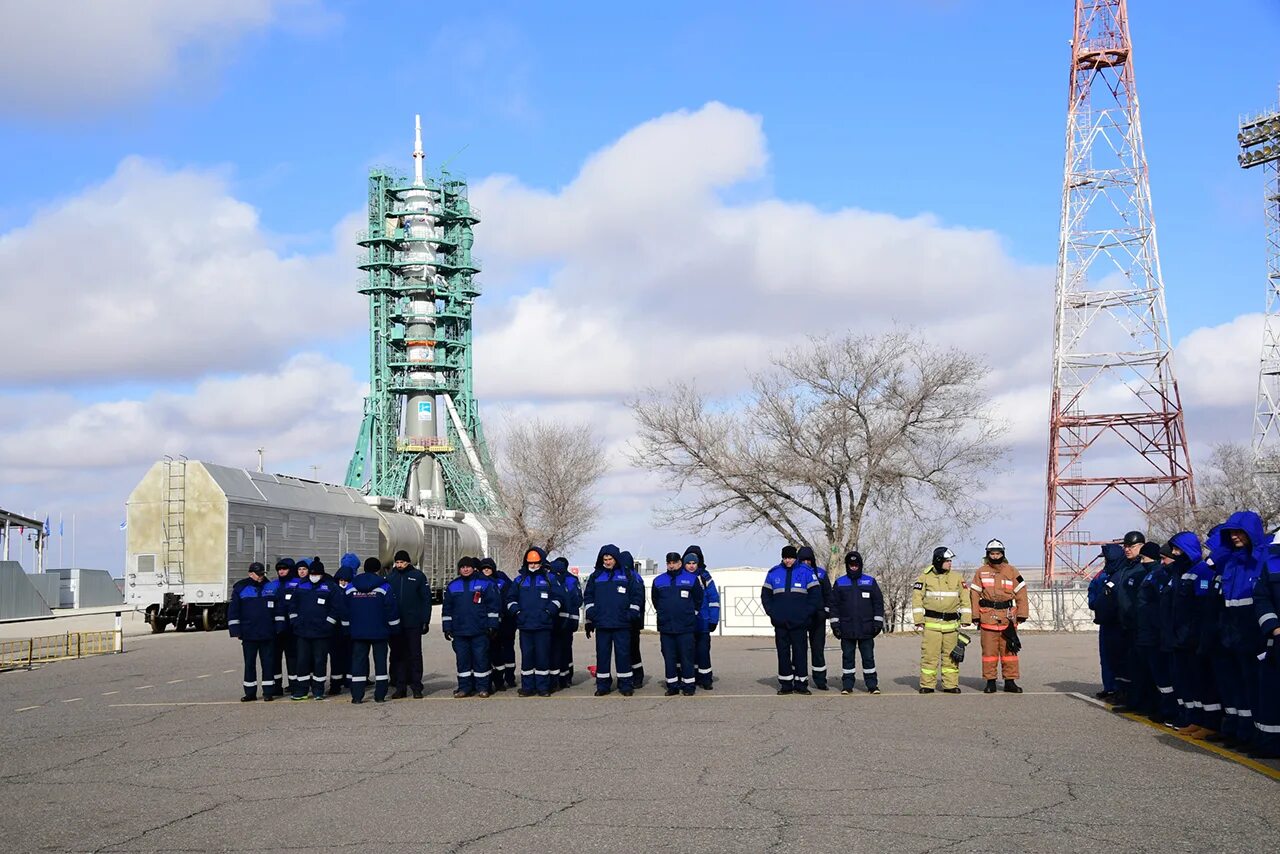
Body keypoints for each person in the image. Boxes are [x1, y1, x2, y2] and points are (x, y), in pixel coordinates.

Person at [1212, 511, 1273, 751]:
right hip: (1234, 634)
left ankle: (1262, 737)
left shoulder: (1265, 559)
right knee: (1242, 688)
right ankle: (1245, 732)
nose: (1235, 537)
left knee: (1261, 691)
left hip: (1257, 633)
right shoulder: (1231, 562)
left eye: (1239, 532)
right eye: (1231, 533)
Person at [1166, 532, 1214, 736]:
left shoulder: (1201, 571)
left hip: (1193, 637)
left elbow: (1201, 609)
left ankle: (1208, 723)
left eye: (1178, 549)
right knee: (1187, 680)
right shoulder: (1181, 572)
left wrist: (1194, 635)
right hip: (1180, 636)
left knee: (1201, 681)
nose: (1175, 553)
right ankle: (1194, 718)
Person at [968, 539, 1028, 694]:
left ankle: (1010, 681)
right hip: (988, 617)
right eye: (992, 553)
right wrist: (975, 615)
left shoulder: (1012, 571)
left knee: (1009, 652)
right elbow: (974, 594)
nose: (995, 556)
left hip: (1008, 618)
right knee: (989, 653)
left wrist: (1022, 614)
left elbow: (1021, 592)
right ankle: (990, 682)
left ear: (1003, 554)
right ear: (988, 555)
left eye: (998, 553)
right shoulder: (981, 572)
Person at [583, 544, 644, 696]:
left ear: (616, 559)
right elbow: (588, 596)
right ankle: (603, 685)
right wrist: (591, 613)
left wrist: (631, 613)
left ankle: (625, 685)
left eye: (610, 559)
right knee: (602, 655)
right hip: (602, 623)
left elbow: (636, 596)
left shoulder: (627, 575)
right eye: (605, 559)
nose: (608, 562)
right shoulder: (595, 576)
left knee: (623, 655)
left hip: (622, 623)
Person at [761, 545, 822, 695]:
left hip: (800, 622)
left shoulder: (806, 572)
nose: (788, 560)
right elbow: (765, 596)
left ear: (796, 558)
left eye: (791, 558)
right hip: (780, 622)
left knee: (800, 653)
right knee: (783, 653)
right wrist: (772, 613)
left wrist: (806, 613)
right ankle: (786, 684)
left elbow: (815, 595)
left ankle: (801, 684)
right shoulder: (774, 573)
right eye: (785, 558)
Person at [506, 547, 565, 697]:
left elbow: (558, 599)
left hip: (543, 625)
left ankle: (543, 687)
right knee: (527, 657)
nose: (533, 566)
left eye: (536, 563)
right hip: (525, 626)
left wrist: (548, 612)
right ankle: (527, 687)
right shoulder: (519, 580)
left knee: (542, 657)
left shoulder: (549, 579)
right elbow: (510, 599)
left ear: (541, 562)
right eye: (530, 563)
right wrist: (517, 612)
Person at [911, 547, 971, 694]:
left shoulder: (957, 577)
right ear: (938, 561)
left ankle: (950, 685)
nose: (950, 564)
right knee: (929, 656)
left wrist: (966, 618)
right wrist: (918, 619)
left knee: (951, 658)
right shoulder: (924, 577)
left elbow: (965, 599)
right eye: (947, 561)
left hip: (951, 625)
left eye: (950, 561)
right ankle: (927, 685)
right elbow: (917, 599)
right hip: (932, 625)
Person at [442, 556, 501, 698]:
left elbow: (493, 605)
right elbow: (447, 609)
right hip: (460, 631)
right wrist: (447, 627)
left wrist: (493, 625)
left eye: (468, 567)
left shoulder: (485, 583)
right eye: (462, 567)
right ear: (459, 569)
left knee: (481, 660)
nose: (465, 569)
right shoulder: (453, 586)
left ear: (473, 568)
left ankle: (483, 687)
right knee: (463, 661)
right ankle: (464, 688)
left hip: (480, 630)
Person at [287, 558, 345, 701]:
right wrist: (295, 621)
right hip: (302, 631)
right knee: (302, 661)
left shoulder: (330, 587)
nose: (314, 576)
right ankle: (302, 690)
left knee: (320, 661)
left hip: (322, 632)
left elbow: (336, 608)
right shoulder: (301, 586)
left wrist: (328, 624)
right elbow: (292, 606)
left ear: (322, 574)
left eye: (317, 574)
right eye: (312, 574)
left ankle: (318, 690)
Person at [344, 557, 399, 704]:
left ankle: (357, 696)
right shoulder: (384, 586)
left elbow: (345, 609)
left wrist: (347, 628)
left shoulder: (351, 586)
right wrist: (394, 628)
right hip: (379, 631)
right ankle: (380, 695)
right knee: (380, 663)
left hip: (358, 632)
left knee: (358, 663)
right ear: (377, 569)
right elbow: (391, 609)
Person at [828, 550, 884, 695]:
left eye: (856, 564)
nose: (853, 566)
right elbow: (833, 605)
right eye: (851, 564)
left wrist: (878, 623)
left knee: (868, 658)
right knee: (847, 658)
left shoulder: (870, 581)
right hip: (846, 629)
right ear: (847, 565)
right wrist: (835, 625)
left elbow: (878, 603)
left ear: (860, 565)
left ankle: (872, 685)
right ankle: (847, 685)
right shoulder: (840, 582)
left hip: (867, 628)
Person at [227, 562, 280, 701]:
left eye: (262, 574)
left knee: (268, 664)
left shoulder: (271, 587)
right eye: (258, 574)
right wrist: (235, 630)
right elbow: (233, 611)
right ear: (250, 574)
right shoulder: (241, 588)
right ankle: (250, 692)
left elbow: (278, 609)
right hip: (249, 633)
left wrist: (279, 627)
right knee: (250, 664)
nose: (261, 577)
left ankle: (268, 692)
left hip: (267, 632)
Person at [652, 552, 703, 696]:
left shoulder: (691, 579)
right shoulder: (658, 581)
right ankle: (672, 685)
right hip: (666, 626)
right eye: (669, 563)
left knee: (687, 657)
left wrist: (691, 614)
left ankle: (688, 686)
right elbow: (656, 601)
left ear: (680, 563)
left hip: (685, 626)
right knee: (669, 657)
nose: (672, 565)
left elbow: (699, 599)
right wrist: (663, 613)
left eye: (674, 562)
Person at [1134, 542, 1174, 724]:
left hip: (1155, 633)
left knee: (1163, 676)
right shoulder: (1151, 575)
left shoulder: (1159, 575)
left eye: (1143, 558)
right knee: (1154, 674)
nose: (1141, 561)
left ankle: (1167, 709)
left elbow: (1160, 606)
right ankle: (1159, 706)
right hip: (1146, 632)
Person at [386, 549, 431, 699]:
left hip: (413, 623)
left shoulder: (418, 577)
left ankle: (417, 686)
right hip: (396, 623)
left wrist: (425, 620)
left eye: (402, 562)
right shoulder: (390, 578)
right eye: (397, 562)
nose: (399, 565)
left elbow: (426, 600)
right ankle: (400, 687)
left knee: (414, 655)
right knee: (398, 655)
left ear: (408, 562)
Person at [1110, 531, 1148, 710]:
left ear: (1141, 545)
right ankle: (1130, 698)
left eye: (1131, 546)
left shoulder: (1143, 569)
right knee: (1127, 664)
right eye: (1125, 546)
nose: (1127, 550)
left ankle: (1141, 702)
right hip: (1123, 625)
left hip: (1138, 626)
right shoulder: (1125, 569)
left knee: (1140, 667)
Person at [1087, 544, 1125, 700]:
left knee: (1119, 657)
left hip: (1120, 622)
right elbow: (1093, 596)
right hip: (1106, 622)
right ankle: (1109, 687)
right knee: (1107, 656)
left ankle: (1119, 689)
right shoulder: (1101, 576)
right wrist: (1098, 605)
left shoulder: (1122, 574)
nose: (1105, 562)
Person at [1252, 545, 1280, 758]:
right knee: (1271, 695)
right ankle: (1270, 745)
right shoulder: (1271, 562)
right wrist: (1274, 628)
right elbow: (1261, 597)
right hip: (1276, 640)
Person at [683, 545, 720, 690]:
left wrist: (713, 619)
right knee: (687, 653)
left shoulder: (705, 577)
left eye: (694, 563)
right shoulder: (680, 577)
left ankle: (705, 679)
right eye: (689, 563)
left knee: (703, 651)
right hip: (686, 623)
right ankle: (689, 677)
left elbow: (714, 599)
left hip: (703, 622)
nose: (692, 566)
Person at [796, 546, 833, 691]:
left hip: (818, 618)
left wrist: (825, 612)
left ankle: (820, 679)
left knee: (818, 650)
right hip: (801, 618)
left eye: (809, 559)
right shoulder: (795, 574)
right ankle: (799, 678)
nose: (806, 562)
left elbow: (829, 595)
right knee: (800, 649)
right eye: (803, 560)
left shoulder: (821, 574)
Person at [479, 557, 516, 691]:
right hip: (489, 623)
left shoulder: (503, 581)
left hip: (506, 622)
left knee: (507, 651)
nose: (486, 570)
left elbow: (510, 599)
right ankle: (496, 680)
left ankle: (510, 678)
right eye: (483, 568)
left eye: (488, 568)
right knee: (492, 653)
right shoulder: (478, 582)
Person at [328, 553, 359, 695]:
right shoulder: (335, 591)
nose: (344, 582)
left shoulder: (350, 590)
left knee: (350, 656)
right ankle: (336, 683)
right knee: (337, 657)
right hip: (337, 630)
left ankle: (349, 681)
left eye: (346, 580)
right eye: (341, 580)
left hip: (349, 630)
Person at [549, 556, 582, 691]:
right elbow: (578, 600)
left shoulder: (569, 580)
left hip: (563, 620)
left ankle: (564, 677)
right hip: (563, 620)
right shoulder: (568, 580)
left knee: (561, 649)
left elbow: (577, 600)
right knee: (563, 650)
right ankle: (564, 678)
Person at [270, 557, 297, 698]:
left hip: (291, 629)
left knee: (292, 658)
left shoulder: (297, 584)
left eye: (284, 569)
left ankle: (294, 684)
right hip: (275, 629)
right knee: (275, 658)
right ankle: (276, 686)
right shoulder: (272, 585)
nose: (281, 571)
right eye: (279, 569)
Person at [620, 550, 647, 688]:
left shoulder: (632, 577)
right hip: (634, 620)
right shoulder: (636, 577)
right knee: (632, 649)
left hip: (631, 620)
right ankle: (635, 675)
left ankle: (636, 676)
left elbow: (638, 600)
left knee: (631, 649)